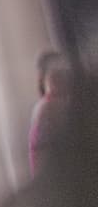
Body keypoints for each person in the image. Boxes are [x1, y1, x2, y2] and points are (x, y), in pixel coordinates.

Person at [29, 50, 72, 178]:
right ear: (43, 79)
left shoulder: (55, 103)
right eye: (56, 75)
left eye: (64, 74)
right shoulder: (48, 106)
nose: (62, 79)